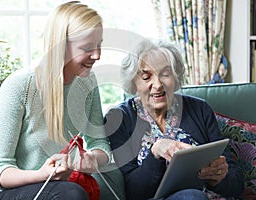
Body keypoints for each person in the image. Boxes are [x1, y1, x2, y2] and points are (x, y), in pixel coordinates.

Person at [0, 1, 124, 200]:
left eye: (99, 44)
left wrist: (93, 159)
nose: (97, 55)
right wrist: (41, 175)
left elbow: (99, 143)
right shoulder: (20, 86)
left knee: (113, 178)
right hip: (3, 193)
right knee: (71, 193)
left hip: (56, 188)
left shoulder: (88, 82)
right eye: (87, 47)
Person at [104, 39, 244, 200]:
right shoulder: (119, 119)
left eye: (165, 74)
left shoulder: (200, 109)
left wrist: (220, 177)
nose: (157, 85)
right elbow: (133, 193)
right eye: (146, 76)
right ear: (133, 82)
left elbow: (237, 184)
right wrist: (155, 152)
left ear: (176, 78)